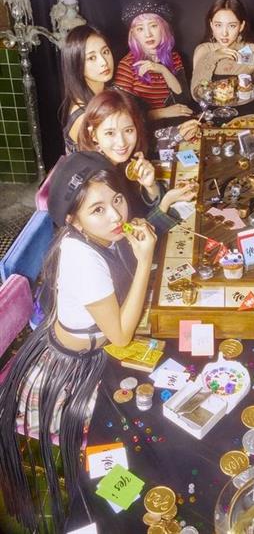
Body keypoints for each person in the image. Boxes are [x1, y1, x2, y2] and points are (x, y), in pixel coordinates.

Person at [0, 152, 157, 531]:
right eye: (97, 210)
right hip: (70, 372)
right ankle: (116, 510)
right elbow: (121, 335)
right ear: (73, 219)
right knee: (135, 433)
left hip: (84, 350)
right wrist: (145, 260)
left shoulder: (90, 237)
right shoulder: (82, 259)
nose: (116, 216)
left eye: (117, 199)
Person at [78, 90, 198, 234]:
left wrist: (151, 187)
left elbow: (140, 213)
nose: (121, 142)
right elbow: (128, 237)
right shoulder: (96, 180)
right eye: (110, 133)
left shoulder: (123, 162)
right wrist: (166, 202)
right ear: (93, 135)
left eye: (128, 130)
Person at [115, 0, 193, 121]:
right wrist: (162, 113)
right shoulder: (127, 65)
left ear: (163, 28)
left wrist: (163, 70)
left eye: (153, 26)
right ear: (133, 34)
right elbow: (123, 114)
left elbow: (183, 98)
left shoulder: (174, 57)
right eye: (140, 29)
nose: (148, 34)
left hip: (176, 122)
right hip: (146, 127)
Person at [191, 0, 254, 104]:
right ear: (211, 25)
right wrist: (213, 57)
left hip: (245, 113)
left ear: (241, 26)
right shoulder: (204, 50)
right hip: (211, 112)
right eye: (218, 25)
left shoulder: (253, 51)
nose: (224, 33)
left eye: (232, 26)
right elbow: (197, 95)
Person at [60, 24, 114, 153]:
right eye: (91, 58)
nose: (104, 62)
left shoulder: (109, 92)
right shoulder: (83, 117)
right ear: (76, 64)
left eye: (105, 52)